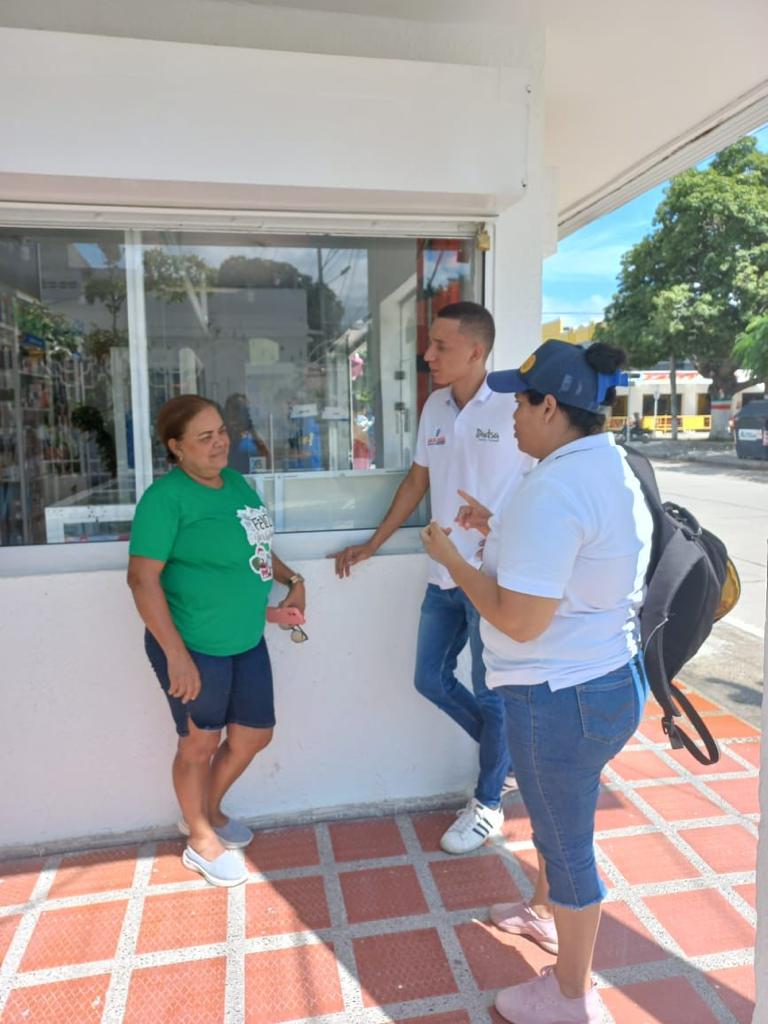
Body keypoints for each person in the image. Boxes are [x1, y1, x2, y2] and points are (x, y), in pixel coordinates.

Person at [421, 339, 653, 1024]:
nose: (510, 412)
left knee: (565, 842)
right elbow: (572, 563)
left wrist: (450, 557)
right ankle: (544, 914)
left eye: (519, 399)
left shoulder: (556, 486)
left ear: (550, 405)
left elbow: (519, 621)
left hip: (558, 697)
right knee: (561, 817)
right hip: (605, 679)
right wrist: (495, 527)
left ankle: (568, 995)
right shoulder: (605, 463)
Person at [331, 302, 534, 854]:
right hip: (442, 572)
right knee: (430, 678)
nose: (428, 355)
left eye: (440, 346)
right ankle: (507, 757)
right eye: (429, 345)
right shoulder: (436, 406)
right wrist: (373, 543)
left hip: (491, 577)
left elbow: (542, 492)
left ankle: (488, 801)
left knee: (493, 695)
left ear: (476, 350)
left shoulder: (516, 408)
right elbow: (416, 484)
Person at [127, 395, 306, 887]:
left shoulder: (235, 484)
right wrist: (176, 656)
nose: (220, 441)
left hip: (245, 638)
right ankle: (201, 838)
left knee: (252, 735)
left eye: (221, 430)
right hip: (193, 645)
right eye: (204, 437)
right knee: (199, 744)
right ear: (176, 448)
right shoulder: (165, 500)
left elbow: (257, 549)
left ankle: (204, 809)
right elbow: (142, 580)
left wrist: (291, 581)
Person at [223, 393, 271, 472]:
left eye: (247, 409)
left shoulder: (253, 435)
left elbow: (267, 461)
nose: (246, 413)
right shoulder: (225, 435)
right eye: (238, 409)